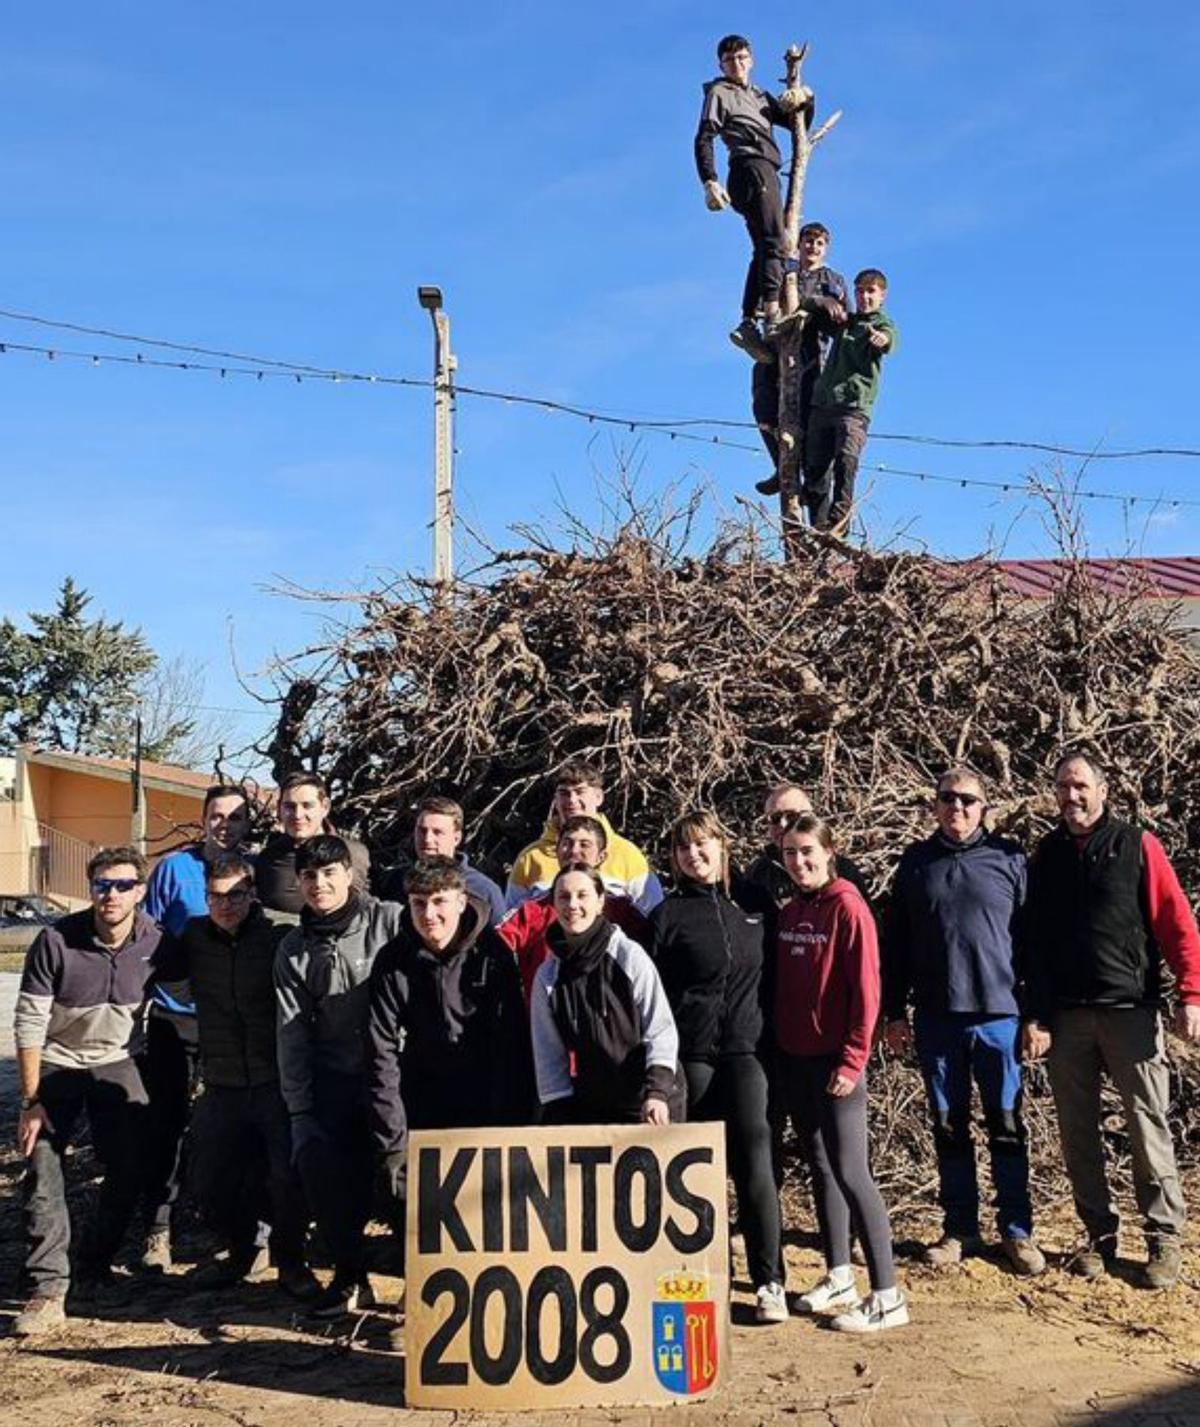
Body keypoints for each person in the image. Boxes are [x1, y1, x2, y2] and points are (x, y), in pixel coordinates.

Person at [1023, 752, 1200, 1289]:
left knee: (1148, 1126)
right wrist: (1035, 1014)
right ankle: (1097, 1236)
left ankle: (1163, 1237)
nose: (1071, 797)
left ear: (1103, 788)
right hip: (1067, 1019)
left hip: (1130, 1013)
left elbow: (1176, 923)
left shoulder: (1137, 846)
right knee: (1078, 1134)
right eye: (1061, 787)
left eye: (1080, 786)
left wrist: (1191, 993)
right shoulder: (1046, 857)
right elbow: (1032, 947)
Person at [883, 769, 1043, 1276]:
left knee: (1007, 1125)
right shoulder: (915, 864)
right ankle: (960, 1229)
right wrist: (893, 1013)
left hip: (1000, 1017)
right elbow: (897, 946)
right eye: (948, 799)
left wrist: (1036, 1015)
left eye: (969, 800)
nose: (958, 808)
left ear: (984, 807)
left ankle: (1017, 1231)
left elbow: (1035, 946)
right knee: (949, 1127)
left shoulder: (1011, 859)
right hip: (937, 1018)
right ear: (934, 806)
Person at [12, 847, 170, 1337]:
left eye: (124, 885)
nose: (112, 894)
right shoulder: (55, 941)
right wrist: (31, 1100)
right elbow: (29, 1023)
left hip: (118, 1059)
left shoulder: (157, 942)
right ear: (91, 889)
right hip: (58, 1059)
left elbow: (195, 994)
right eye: (103, 884)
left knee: (130, 1164)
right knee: (43, 1163)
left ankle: (94, 1263)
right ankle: (49, 1285)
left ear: (141, 892)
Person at [650, 811, 786, 1325]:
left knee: (756, 1160)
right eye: (684, 849)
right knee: (699, 1173)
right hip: (693, 1057)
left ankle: (770, 1280)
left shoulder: (753, 904)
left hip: (749, 1052)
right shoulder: (667, 917)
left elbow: (778, 978)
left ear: (721, 846)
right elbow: (655, 999)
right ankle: (707, 1276)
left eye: (703, 844)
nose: (694, 855)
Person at [775, 816, 907, 1333]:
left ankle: (888, 1295)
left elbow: (867, 992)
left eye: (807, 851)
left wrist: (853, 1060)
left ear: (830, 853)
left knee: (853, 1172)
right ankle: (838, 1274)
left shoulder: (849, 908)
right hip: (797, 1060)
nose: (799, 862)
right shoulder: (791, 910)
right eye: (789, 853)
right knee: (821, 1166)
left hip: (837, 1065)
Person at [170, 852, 317, 1297]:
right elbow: (170, 983)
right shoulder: (193, 937)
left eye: (236, 895)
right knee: (212, 1175)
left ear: (252, 895)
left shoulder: (278, 934)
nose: (226, 905)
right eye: (216, 897)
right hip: (222, 1079)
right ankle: (241, 1250)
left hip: (274, 1078)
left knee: (285, 1175)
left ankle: (291, 1262)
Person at [367, 858, 532, 1252]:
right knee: (416, 1208)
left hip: (487, 1092)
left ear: (461, 901)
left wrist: (505, 1129)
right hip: (422, 1091)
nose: (430, 915)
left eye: (440, 901)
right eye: (419, 903)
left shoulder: (493, 954)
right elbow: (380, 1053)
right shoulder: (392, 960)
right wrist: (394, 1142)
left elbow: (512, 1047)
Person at [274, 834, 404, 1316]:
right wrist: (300, 1109)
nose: (320, 884)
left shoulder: (389, 921)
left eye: (330, 873)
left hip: (395, 1078)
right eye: (310, 876)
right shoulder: (293, 949)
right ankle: (350, 1279)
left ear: (349, 875)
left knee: (402, 1181)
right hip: (334, 1081)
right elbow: (291, 1033)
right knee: (328, 1177)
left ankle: (425, 1282)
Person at [137, 782, 254, 1272]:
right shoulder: (173, 870)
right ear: (204, 819)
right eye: (216, 815)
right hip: (174, 1016)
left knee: (231, 1127)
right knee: (167, 1123)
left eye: (235, 817)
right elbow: (145, 939)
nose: (224, 824)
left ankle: (232, 1228)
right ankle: (157, 1229)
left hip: (232, 1023)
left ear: (249, 825)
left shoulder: (255, 873)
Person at [531, 865, 685, 1125]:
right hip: (594, 1106)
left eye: (582, 895)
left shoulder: (629, 956)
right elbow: (548, 1053)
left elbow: (660, 1029)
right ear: (554, 905)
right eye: (564, 897)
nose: (573, 905)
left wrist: (657, 1092)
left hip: (649, 1100)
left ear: (600, 901)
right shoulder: (547, 977)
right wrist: (558, 1109)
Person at [694, 33, 813, 360]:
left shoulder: (759, 94)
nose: (737, 64)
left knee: (764, 246)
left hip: (766, 168)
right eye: (730, 60)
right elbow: (704, 136)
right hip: (749, 166)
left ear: (752, 60)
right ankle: (772, 317)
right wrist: (709, 179)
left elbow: (796, 125)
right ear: (721, 64)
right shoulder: (721, 92)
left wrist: (804, 98)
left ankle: (748, 320)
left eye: (742, 58)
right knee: (777, 241)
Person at [498, 814, 651, 1003]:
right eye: (567, 843)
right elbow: (495, 949)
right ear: (556, 850)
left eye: (584, 845)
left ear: (601, 856)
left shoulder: (622, 911)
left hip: (611, 1023)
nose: (574, 851)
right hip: (545, 1023)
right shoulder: (531, 912)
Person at [753, 223, 849, 497]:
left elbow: (843, 320)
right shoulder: (785, 271)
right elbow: (766, 303)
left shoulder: (833, 280)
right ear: (800, 243)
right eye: (809, 241)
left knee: (808, 422)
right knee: (764, 407)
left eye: (819, 243)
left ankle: (810, 482)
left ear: (825, 248)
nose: (813, 247)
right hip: (775, 350)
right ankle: (780, 466)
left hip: (811, 356)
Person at [804, 268, 900, 537]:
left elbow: (890, 339)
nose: (865, 297)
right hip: (823, 404)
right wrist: (825, 302)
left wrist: (882, 339)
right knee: (816, 468)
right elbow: (805, 303)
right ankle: (819, 525)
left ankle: (839, 521)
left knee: (846, 461)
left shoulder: (881, 323)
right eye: (859, 291)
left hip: (853, 408)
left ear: (882, 296)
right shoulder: (844, 323)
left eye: (871, 292)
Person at [506, 758, 663, 913]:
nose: (572, 800)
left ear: (598, 797)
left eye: (580, 792)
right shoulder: (531, 858)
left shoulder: (627, 855)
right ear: (556, 799)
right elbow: (511, 919)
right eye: (564, 793)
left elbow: (652, 914)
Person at [256, 771, 371, 922]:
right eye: (289, 806)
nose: (298, 815)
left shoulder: (355, 854)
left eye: (307, 805)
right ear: (279, 809)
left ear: (325, 807)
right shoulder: (268, 859)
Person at [378, 794, 505, 926]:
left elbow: (500, 942)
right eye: (422, 831)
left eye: (437, 832)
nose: (427, 839)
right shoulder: (395, 882)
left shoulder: (483, 891)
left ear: (456, 838)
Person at [745, 782, 872, 909]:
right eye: (775, 818)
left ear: (809, 817)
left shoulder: (842, 870)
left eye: (791, 816)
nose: (783, 824)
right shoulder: (759, 873)